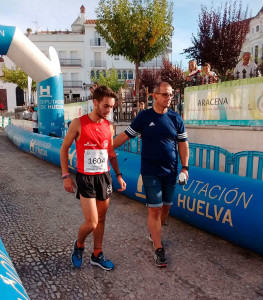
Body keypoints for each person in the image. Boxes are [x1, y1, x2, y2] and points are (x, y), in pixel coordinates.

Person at [114, 82, 189, 267]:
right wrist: (106, 147)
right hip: (150, 172)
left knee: (166, 208)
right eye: (165, 94)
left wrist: (185, 168)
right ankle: (158, 247)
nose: (169, 98)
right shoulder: (144, 117)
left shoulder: (176, 118)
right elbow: (125, 135)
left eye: (171, 94)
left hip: (170, 172)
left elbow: (183, 144)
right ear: (154, 96)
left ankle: (154, 232)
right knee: (154, 209)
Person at [60, 85, 126, 270]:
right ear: (95, 102)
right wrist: (65, 175)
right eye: (106, 106)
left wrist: (118, 175)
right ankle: (79, 245)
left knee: (102, 220)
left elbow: (111, 153)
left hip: (103, 177)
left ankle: (97, 254)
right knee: (92, 221)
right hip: (86, 178)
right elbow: (64, 148)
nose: (109, 110)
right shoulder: (78, 123)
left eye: (112, 107)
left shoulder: (109, 126)